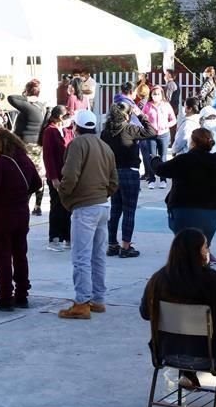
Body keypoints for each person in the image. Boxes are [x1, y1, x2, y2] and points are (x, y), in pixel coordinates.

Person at [140, 228, 216, 393]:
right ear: (198, 252)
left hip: (167, 353)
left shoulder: (158, 280)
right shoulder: (212, 280)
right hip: (211, 357)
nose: (208, 251)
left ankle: (188, 375)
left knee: (185, 332)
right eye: (206, 247)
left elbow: (145, 313)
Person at [57, 110, 119, 319]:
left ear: (76, 127)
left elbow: (70, 174)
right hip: (103, 205)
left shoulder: (77, 144)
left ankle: (82, 302)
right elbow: (113, 181)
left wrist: (63, 194)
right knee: (97, 256)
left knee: (81, 257)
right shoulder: (105, 146)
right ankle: (98, 299)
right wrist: (103, 194)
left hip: (85, 207)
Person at [152, 128, 216, 265]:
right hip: (211, 213)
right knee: (203, 238)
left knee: (184, 243)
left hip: (182, 212)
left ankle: (187, 261)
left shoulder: (184, 160)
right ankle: (205, 252)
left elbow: (160, 169)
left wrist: (154, 159)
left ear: (193, 143)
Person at [0, 129, 41, 311]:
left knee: (2, 257)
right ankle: (22, 294)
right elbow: (37, 183)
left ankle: (5, 296)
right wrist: (22, 195)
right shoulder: (24, 159)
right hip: (21, 213)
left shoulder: (0, 164)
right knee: (20, 255)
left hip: (1, 214)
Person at [101, 102, 156, 258]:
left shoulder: (106, 132)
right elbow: (152, 131)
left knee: (115, 210)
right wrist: (141, 116)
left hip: (113, 173)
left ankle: (112, 244)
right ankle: (126, 246)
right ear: (126, 114)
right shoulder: (130, 129)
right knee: (129, 211)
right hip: (130, 172)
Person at [8, 79, 49, 216]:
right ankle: (37, 205)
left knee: (26, 173)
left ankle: (25, 201)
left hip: (26, 144)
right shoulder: (40, 107)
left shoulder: (29, 107)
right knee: (38, 173)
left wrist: (27, 97)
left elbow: (11, 98)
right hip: (37, 144)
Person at [41, 105, 74, 251]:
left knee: (68, 207)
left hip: (67, 175)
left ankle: (67, 237)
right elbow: (48, 157)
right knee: (57, 207)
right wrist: (53, 177)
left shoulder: (66, 131)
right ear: (59, 117)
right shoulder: (50, 132)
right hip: (56, 175)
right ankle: (54, 238)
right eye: (66, 115)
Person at [140, 86, 176, 189]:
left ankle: (163, 179)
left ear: (162, 95)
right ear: (151, 95)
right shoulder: (147, 105)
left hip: (164, 134)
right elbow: (142, 118)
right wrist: (146, 123)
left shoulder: (166, 105)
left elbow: (173, 119)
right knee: (152, 156)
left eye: (158, 94)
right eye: (154, 94)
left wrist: (166, 125)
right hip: (151, 135)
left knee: (163, 157)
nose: (156, 96)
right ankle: (151, 179)